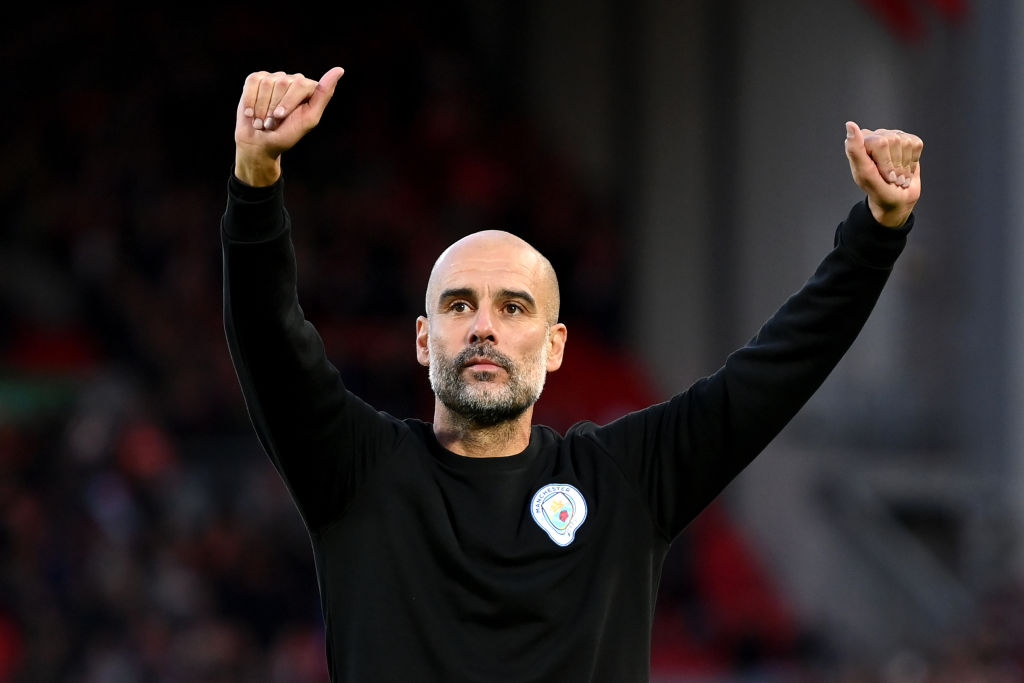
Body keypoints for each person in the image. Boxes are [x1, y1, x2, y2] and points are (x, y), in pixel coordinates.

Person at [221, 66, 922, 682]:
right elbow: (268, 336)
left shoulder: (624, 479)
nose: (484, 325)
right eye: (459, 305)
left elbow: (776, 370)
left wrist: (878, 232)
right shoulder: (357, 473)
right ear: (422, 340)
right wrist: (256, 180)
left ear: (556, 344)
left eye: (513, 306)